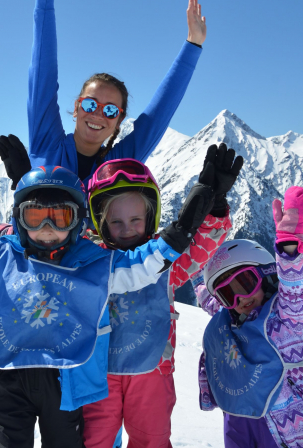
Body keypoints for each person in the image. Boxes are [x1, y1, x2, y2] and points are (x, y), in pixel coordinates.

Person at [0, 155, 216, 448]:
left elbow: (142, 266)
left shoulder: (93, 265)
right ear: (19, 220)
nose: (47, 230)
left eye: (60, 217)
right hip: (10, 378)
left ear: (79, 221)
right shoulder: (4, 257)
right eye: (35, 217)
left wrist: (183, 227)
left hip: (66, 381)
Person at [80, 144, 242, 448]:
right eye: (115, 221)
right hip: (99, 372)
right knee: (94, 440)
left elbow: (200, 248)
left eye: (135, 220)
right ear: (100, 222)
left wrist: (215, 205)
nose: (126, 229)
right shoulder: (90, 258)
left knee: (151, 439)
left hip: (153, 370)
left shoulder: (164, 259)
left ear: (151, 216)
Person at [29, 0, 207, 184]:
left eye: (110, 111)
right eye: (91, 104)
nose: (98, 114)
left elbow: (158, 115)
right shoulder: (47, 142)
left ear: (119, 121)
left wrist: (193, 44)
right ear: (76, 107)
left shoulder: (118, 166)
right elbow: (42, 74)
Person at [194, 186, 303, 447]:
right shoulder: (232, 314)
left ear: (267, 275)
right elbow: (209, 298)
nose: (240, 299)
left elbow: (298, 289)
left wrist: (291, 251)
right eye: (227, 294)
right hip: (238, 414)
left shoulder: (291, 317)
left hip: (282, 421)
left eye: (244, 283)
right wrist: (195, 267)